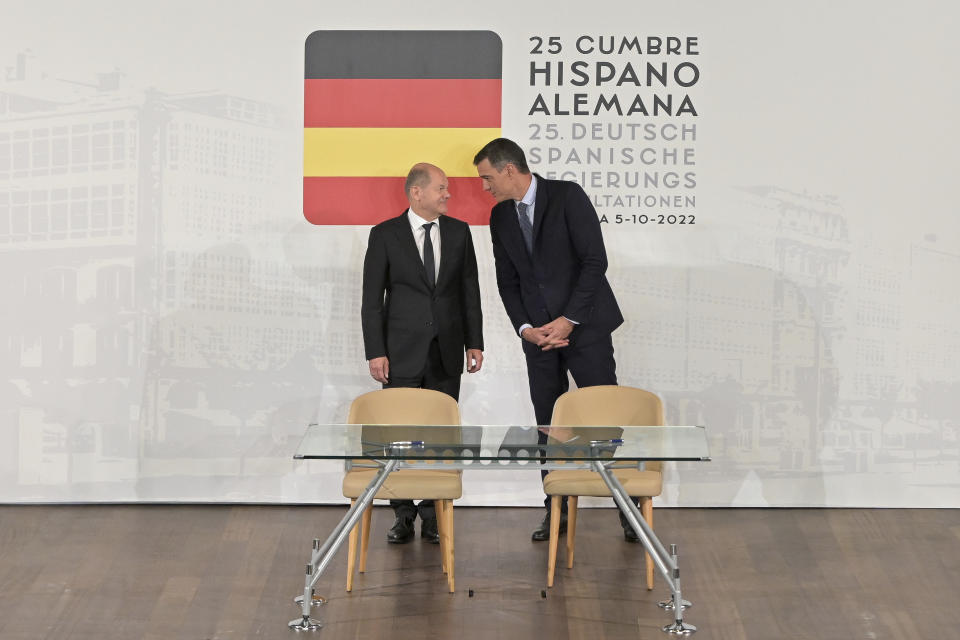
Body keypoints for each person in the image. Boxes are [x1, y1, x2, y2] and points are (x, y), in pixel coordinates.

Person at [473, 138, 639, 542]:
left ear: (510, 169)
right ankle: (556, 508)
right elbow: (507, 281)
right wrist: (525, 328)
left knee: (602, 419)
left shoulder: (567, 196)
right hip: (538, 339)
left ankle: (628, 507)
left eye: (487, 177)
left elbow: (594, 262)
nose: (485, 187)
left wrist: (568, 320)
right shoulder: (500, 218)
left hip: (587, 330)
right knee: (549, 425)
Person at [360, 163, 484, 544]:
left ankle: (433, 512)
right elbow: (372, 300)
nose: (448, 194)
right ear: (417, 193)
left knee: (440, 434)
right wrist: (375, 351)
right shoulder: (384, 235)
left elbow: (469, 293)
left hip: (446, 351)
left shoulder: (460, 233)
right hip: (399, 353)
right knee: (399, 435)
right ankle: (402, 513)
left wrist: (474, 342)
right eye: (441, 188)